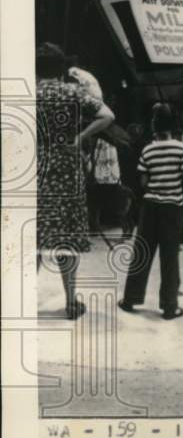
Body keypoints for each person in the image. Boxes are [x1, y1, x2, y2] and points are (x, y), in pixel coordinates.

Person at [35, 43, 115, 319]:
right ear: (60, 68)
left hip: (35, 169)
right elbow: (107, 116)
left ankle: (21, 299)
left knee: (31, 236)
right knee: (66, 237)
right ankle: (70, 302)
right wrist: (80, 138)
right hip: (67, 170)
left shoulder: (28, 94)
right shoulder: (72, 92)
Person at [119, 103, 183, 320]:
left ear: (153, 126)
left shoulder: (148, 149)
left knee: (142, 252)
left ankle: (130, 299)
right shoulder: (181, 149)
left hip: (150, 207)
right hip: (172, 208)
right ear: (174, 125)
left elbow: (143, 181)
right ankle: (169, 306)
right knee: (170, 256)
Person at [67, 64, 121, 233]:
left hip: (87, 136)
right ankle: (92, 222)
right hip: (91, 133)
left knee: (90, 181)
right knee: (91, 181)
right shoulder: (86, 80)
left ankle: (90, 222)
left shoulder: (76, 83)